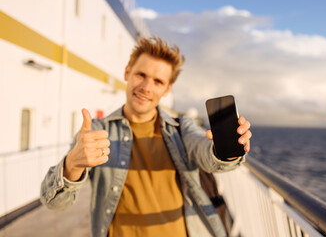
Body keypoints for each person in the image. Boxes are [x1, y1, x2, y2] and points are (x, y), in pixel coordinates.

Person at [40, 37, 252, 237]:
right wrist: (73, 166)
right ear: (127, 73)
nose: (146, 88)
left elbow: (205, 152)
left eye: (158, 81)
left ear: (167, 89)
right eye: (141, 75)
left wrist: (226, 151)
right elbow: (55, 203)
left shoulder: (182, 128)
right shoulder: (95, 132)